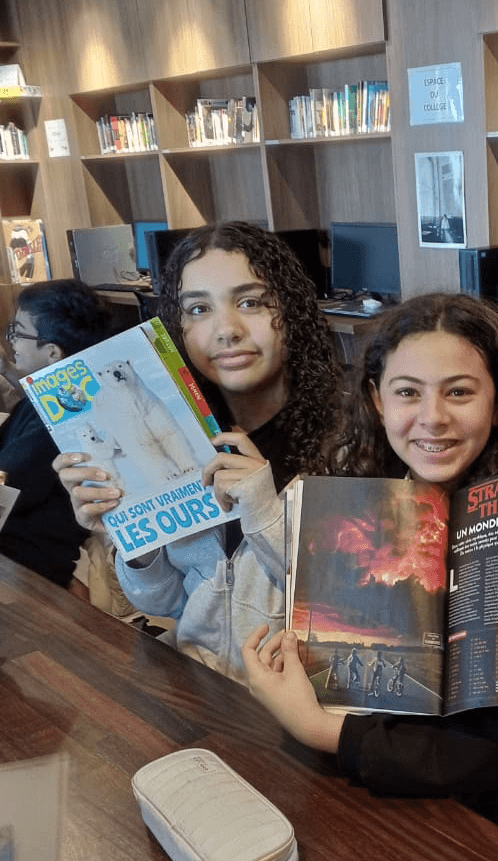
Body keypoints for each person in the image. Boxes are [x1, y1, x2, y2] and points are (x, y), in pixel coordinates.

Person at [243, 292, 498, 861]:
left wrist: (321, 729)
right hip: (381, 784)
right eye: (408, 392)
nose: (433, 417)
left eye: (459, 392)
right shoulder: (352, 509)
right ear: (376, 400)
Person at [53, 222, 340, 681]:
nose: (226, 330)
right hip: (201, 687)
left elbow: (350, 603)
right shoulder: (187, 434)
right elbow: (164, 601)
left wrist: (264, 510)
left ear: (293, 310)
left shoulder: (345, 445)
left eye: (250, 302)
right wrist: (131, 537)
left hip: (298, 702)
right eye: (199, 309)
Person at [0, 280, 113, 587]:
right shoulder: (53, 398)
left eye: (18, 333)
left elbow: (7, 483)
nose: (12, 342)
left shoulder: (64, 416)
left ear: (52, 353)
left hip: (26, 576)